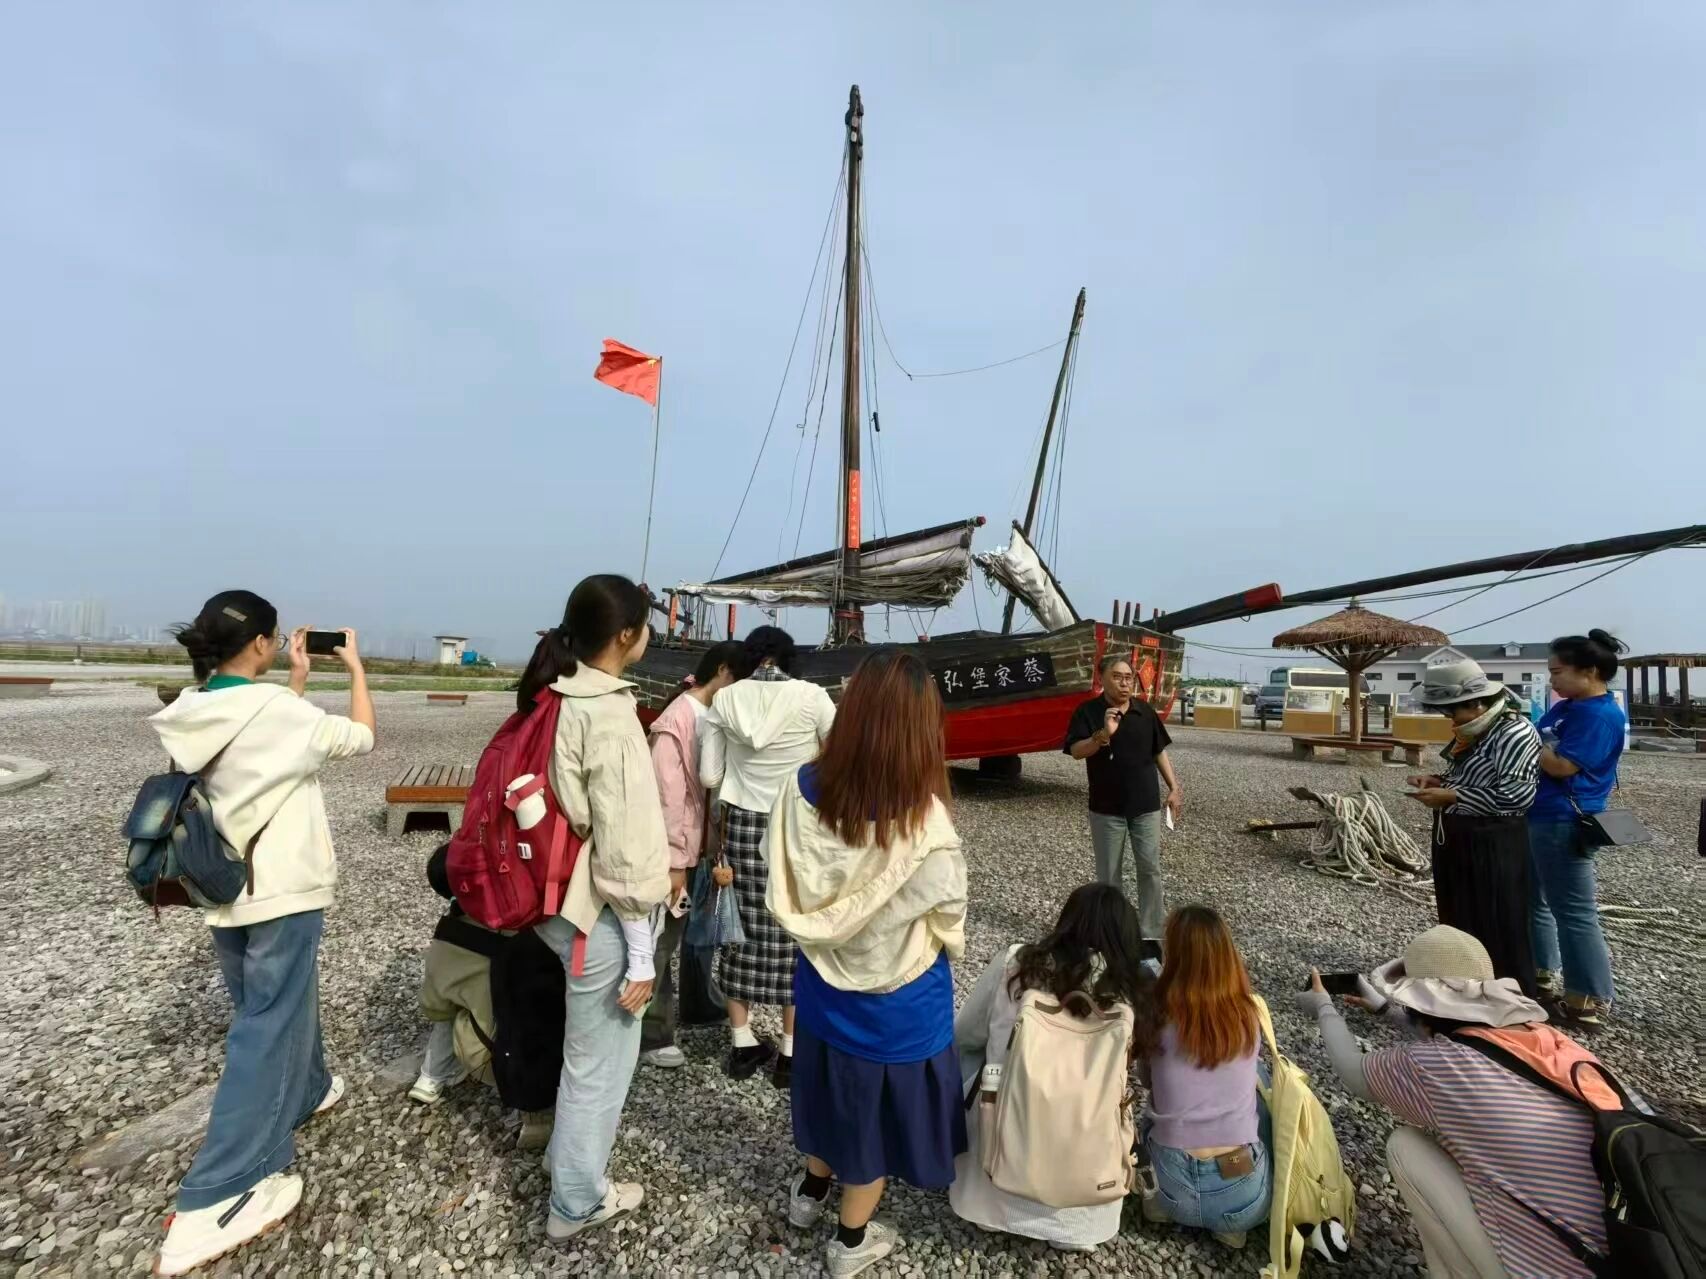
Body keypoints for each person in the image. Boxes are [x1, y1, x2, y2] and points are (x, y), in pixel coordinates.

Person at [148, 592, 375, 1275]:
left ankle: (307, 1089)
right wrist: (355, 670)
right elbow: (360, 736)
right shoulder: (277, 712)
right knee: (265, 1026)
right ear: (258, 645)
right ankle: (220, 1190)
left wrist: (296, 680)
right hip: (282, 889)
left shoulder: (194, 708)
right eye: (273, 640)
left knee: (270, 1005)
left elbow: (262, 738)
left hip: (225, 887)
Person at [764, 650, 968, 1278]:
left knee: (828, 1090)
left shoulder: (800, 788)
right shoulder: (926, 820)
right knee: (872, 1122)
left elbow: (782, 875)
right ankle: (851, 1243)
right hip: (897, 1002)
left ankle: (809, 1194)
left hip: (821, 986)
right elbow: (948, 911)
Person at [1297, 924, 1608, 1279]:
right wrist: (1387, 1010)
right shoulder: (1549, 1040)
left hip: (1554, 1270)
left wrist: (1324, 1007)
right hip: (1623, 1253)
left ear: (1420, 1005)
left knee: (1405, 1146)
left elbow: (1353, 1072)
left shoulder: (1438, 1065)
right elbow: (1472, 1035)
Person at [535, 575, 673, 1241]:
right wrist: (643, 950)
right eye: (646, 625)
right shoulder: (611, 714)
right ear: (625, 636)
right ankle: (576, 1201)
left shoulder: (559, 694)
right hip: (601, 914)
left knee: (582, 1053)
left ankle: (565, 1161)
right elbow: (625, 845)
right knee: (600, 1066)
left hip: (557, 901)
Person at [950, 883, 1157, 1252]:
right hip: (1087, 1202)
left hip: (992, 1180)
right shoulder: (1133, 988)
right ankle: (1065, 1225)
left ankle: (991, 1189)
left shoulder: (1017, 963)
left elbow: (965, 1032)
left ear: (1066, 923)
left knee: (974, 1057)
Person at [699, 625, 836, 1087]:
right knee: (793, 929)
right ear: (788, 657)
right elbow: (839, 756)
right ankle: (791, 1053)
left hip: (741, 825)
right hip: (797, 824)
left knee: (739, 927)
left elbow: (709, 775)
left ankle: (741, 1044)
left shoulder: (726, 699)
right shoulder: (813, 697)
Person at [1406, 658, 1542, 997]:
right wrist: (1439, 782)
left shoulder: (1514, 732)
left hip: (1494, 839)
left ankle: (1507, 995)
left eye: (1452, 711)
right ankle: (1463, 989)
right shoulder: (1476, 734)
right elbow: (1472, 777)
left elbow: (1517, 796)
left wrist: (1453, 796)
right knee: (1460, 915)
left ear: (1476, 703)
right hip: (1457, 835)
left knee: (1496, 918)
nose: (1450, 720)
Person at [1139, 904, 1271, 1251]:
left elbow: (1148, 1082)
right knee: (1261, 1081)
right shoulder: (1249, 1014)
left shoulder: (1156, 1013)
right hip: (1242, 1196)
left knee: (1151, 1114)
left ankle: (1160, 1208)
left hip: (1172, 1190)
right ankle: (1229, 1227)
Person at [410, 843, 558, 1152]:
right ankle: (538, 1120)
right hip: (548, 1050)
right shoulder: (530, 923)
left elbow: (433, 1005)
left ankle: (430, 1077)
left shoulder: (450, 938)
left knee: (446, 1013)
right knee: (528, 1017)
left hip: (486, 1054)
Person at [641, 640, 746, 1068]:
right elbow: (667, 800)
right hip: (679, 851)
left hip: (701, 846)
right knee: (662, 941)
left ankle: (699, 1004)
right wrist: (673, 863)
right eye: (740, 679)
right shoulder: (677, 720)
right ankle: (653, 1034)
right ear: (722, 671)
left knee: (697, 930)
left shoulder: (707, 714)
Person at [1530, 630, 1628, 1028]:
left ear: (1589, 671)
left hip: (1565, 819)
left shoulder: (1599, 715)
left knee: (1573, 911)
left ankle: (1584, 1000)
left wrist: (1521, 737)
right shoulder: (1569, 708)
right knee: (1535, 900)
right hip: (1540, 814)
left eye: (1557, 672)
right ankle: (1539, 975)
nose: (1552, 680)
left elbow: (1560, 766)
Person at [1063, 653, 1182, 951]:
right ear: (1101, 679)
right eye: (1117, 677)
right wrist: (1103, 734)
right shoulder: (1088, 712)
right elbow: (1076, 751)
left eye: (1128, 677)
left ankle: (1151, 934)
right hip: (1106, 808)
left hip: (1146, 806)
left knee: (1150, 869)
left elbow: (1158, 751)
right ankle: (1111, 933)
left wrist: (1174, 787)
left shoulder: (1144, 712)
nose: (1125, 683)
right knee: (1109, 876)